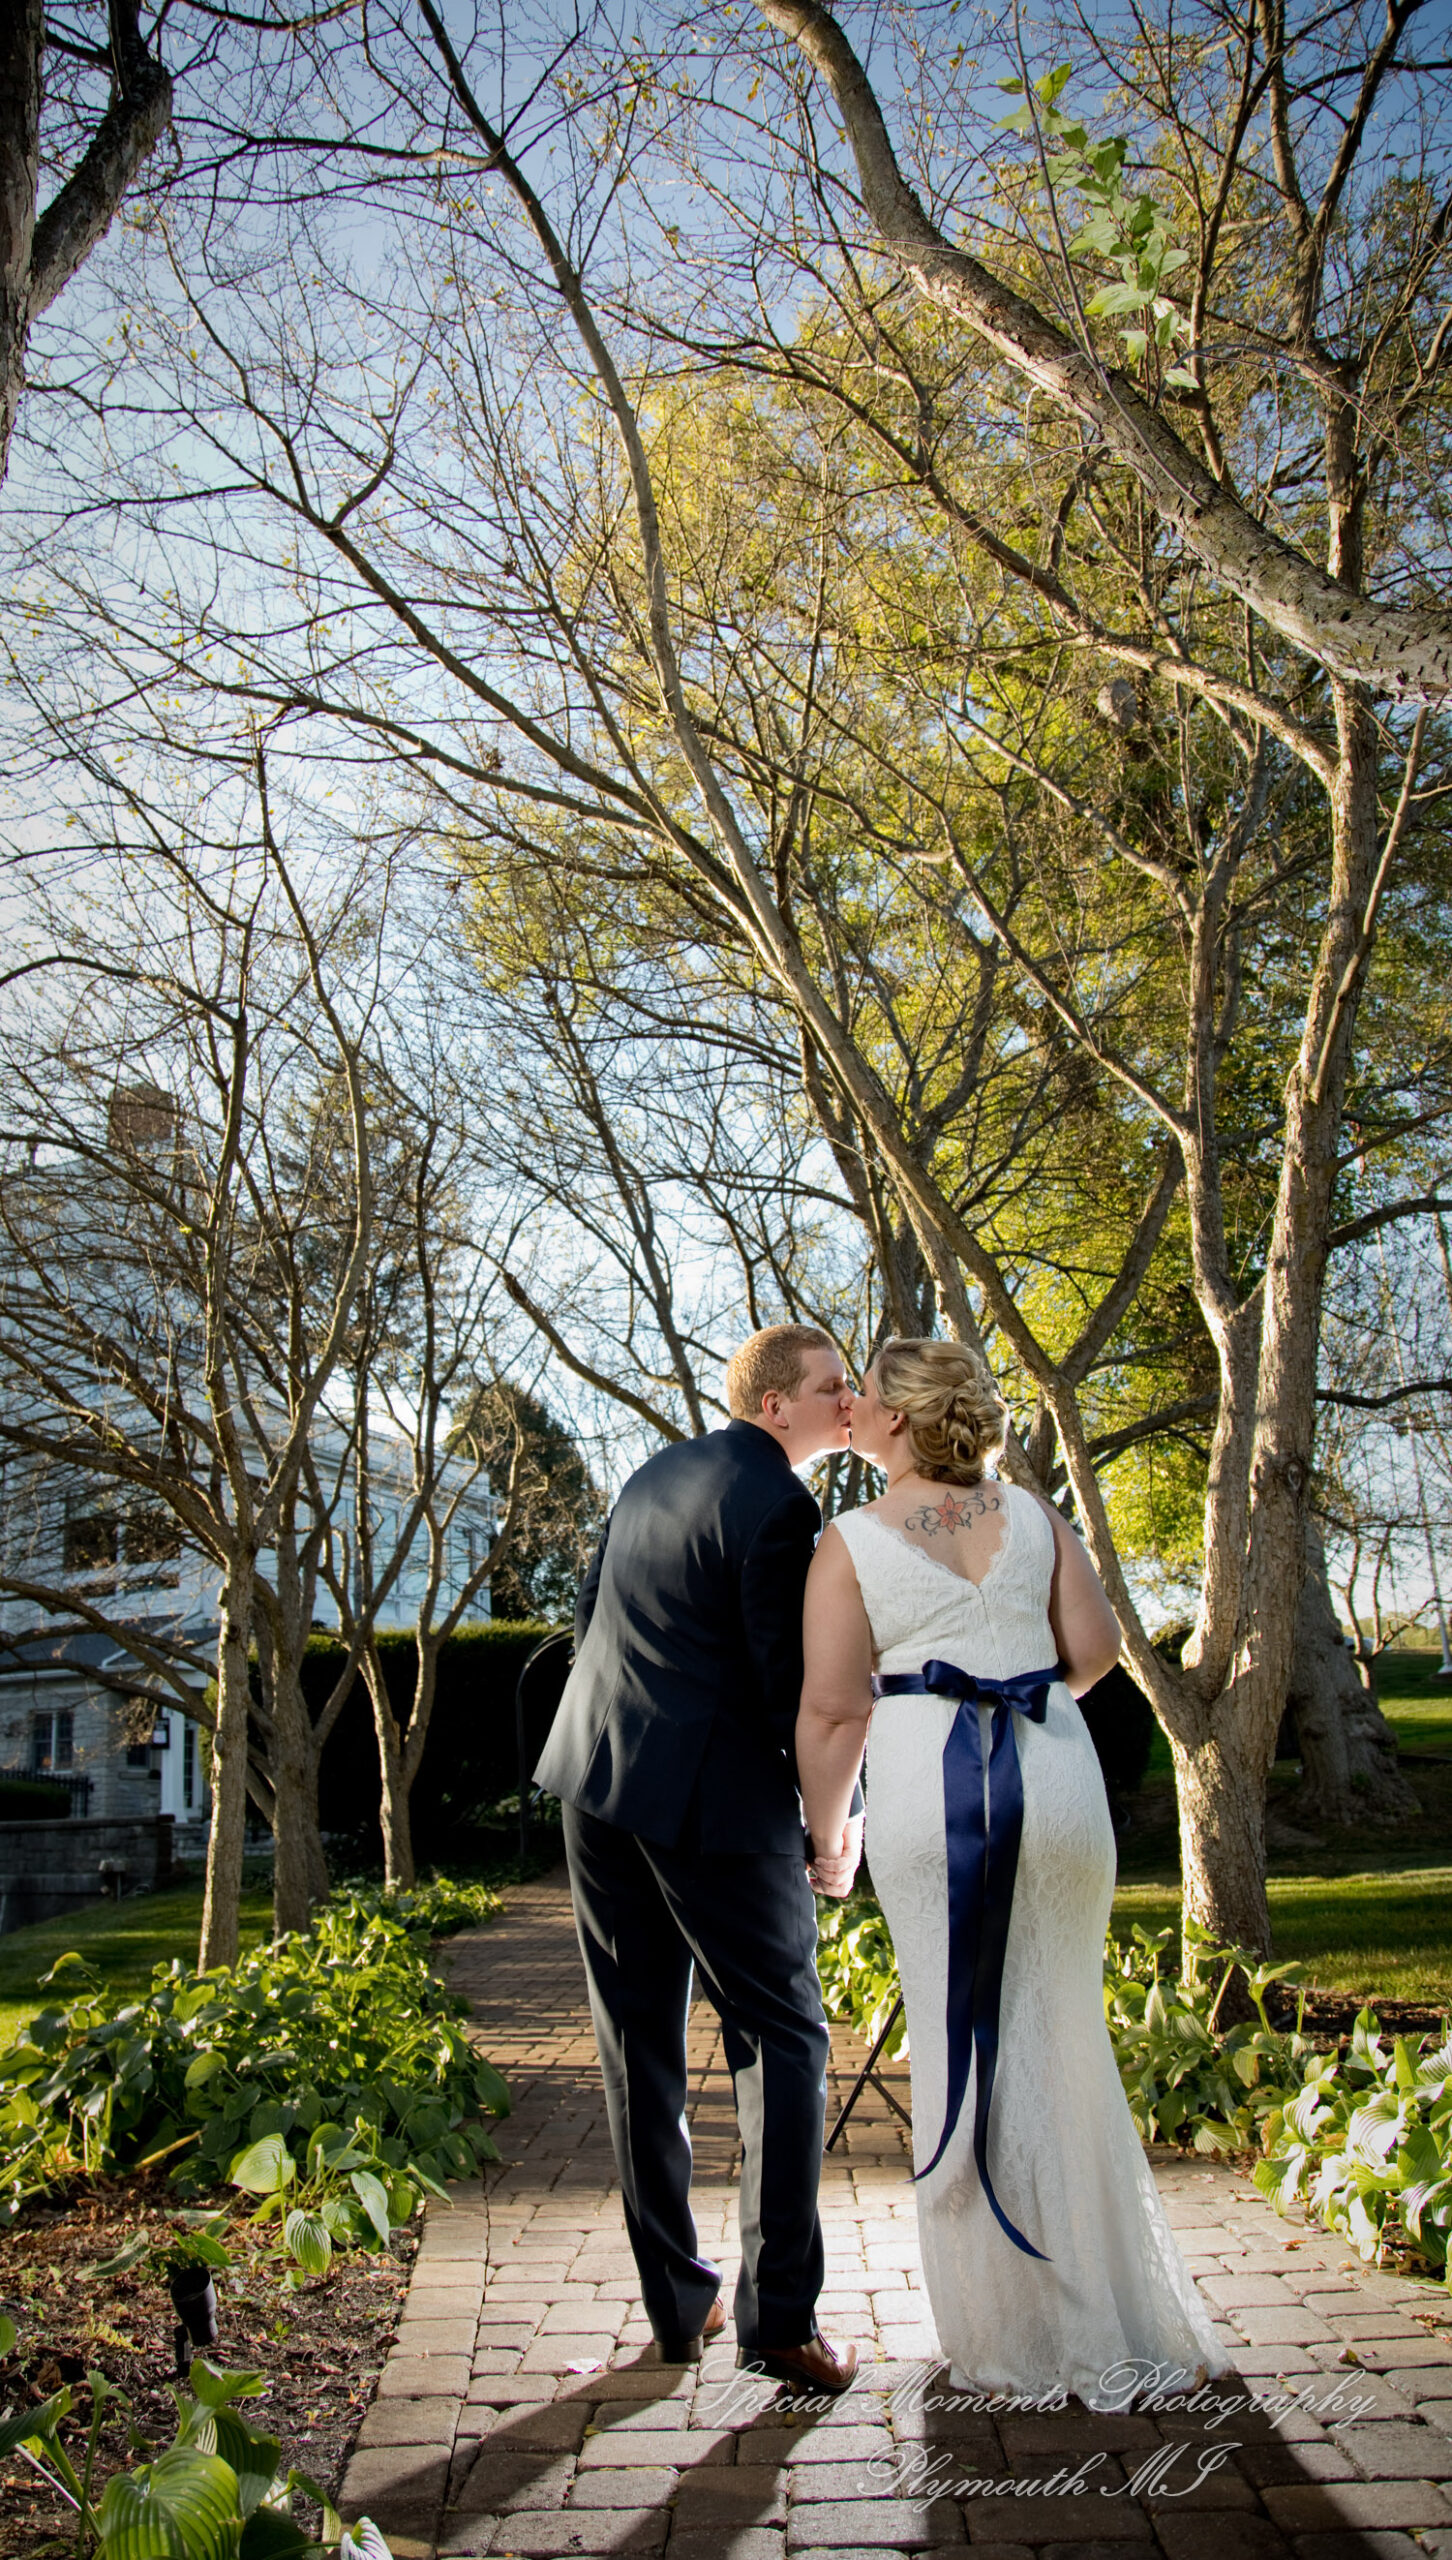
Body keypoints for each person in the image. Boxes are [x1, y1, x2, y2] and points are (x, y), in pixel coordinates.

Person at [795, 1337, 1227, 2408]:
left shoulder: (850, 1538)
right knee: (1063, 2028)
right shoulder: (1034, 1515)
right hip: (1060, 1784)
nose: (849, 1410)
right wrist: (1016, 1691)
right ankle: (1105, 2306)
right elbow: (1092, 1647)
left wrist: (829, 1830)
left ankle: (1013, 2333)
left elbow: (837, 1705)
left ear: (900, 1419)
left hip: (931, 1799)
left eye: (867, 1399)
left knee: (961, 2040)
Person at [536, 1323, 862, 2391]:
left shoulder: (653, 1472)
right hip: (709, 1802)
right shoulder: (781, 1504)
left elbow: (590, 1622)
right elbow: (794, 1694)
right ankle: (779, 2319)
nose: (849, 1398)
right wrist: (827, 1829)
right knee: (785, 2034)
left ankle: (681, 2303)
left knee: (638, 2041)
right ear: (776, 1404)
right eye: (832, 1385)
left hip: (594, 1777)